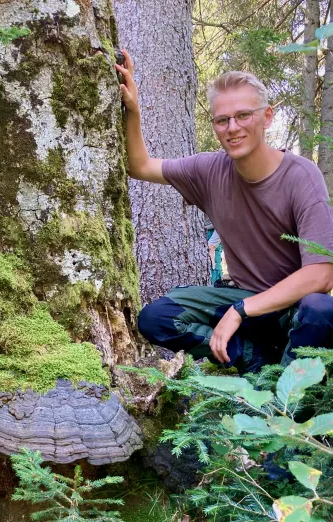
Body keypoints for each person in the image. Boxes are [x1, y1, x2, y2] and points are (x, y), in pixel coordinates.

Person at [115, 51, 333, 373]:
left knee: (321, 309)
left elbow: (322, 275)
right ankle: (250, 356)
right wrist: (132, 110)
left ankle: (285, 398)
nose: (233, 127)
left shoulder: (302, 176)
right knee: (156, 318)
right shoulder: (208, 170)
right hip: (243, 304)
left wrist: (241, 310)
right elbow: (140, 166)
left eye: (244, 115)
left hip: (290, 310)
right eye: (222, 120)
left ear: (267, 116)